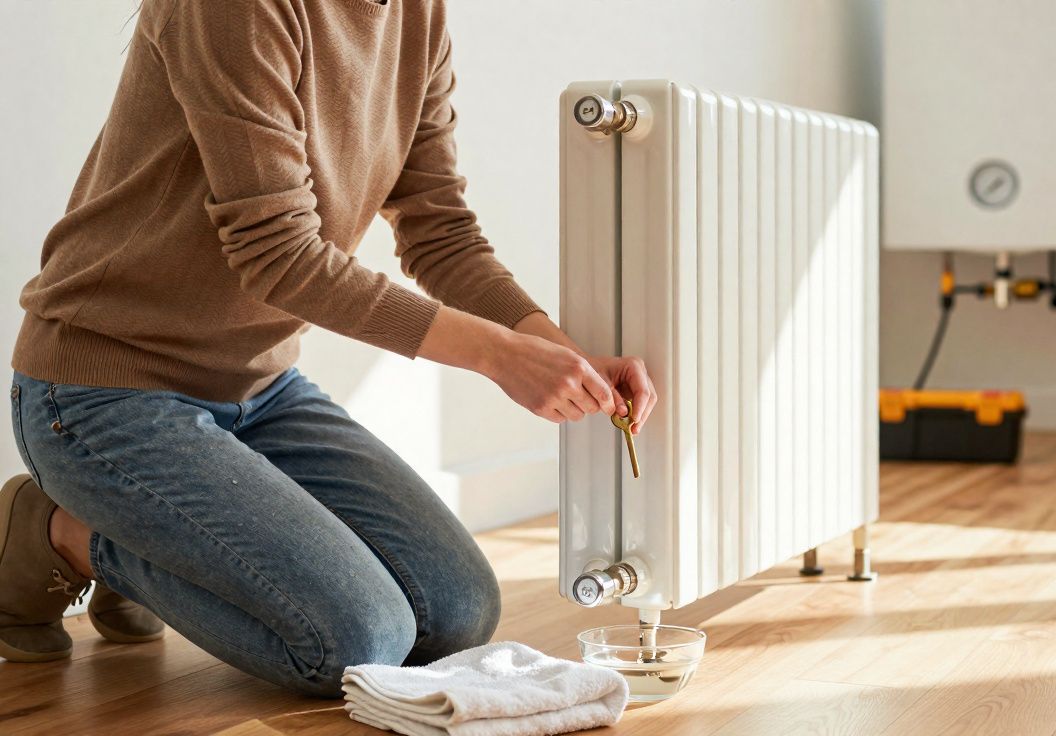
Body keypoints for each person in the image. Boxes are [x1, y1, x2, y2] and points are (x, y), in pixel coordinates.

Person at [1, 0, 655, 697]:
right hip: (104, 391)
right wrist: (496, 356)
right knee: (351, 641)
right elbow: (279, 254)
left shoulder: (417, 15)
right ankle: (72, 534)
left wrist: (557, 352)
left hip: (262, 390)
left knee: (458, 614)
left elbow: (440, 231)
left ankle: (156, 531)